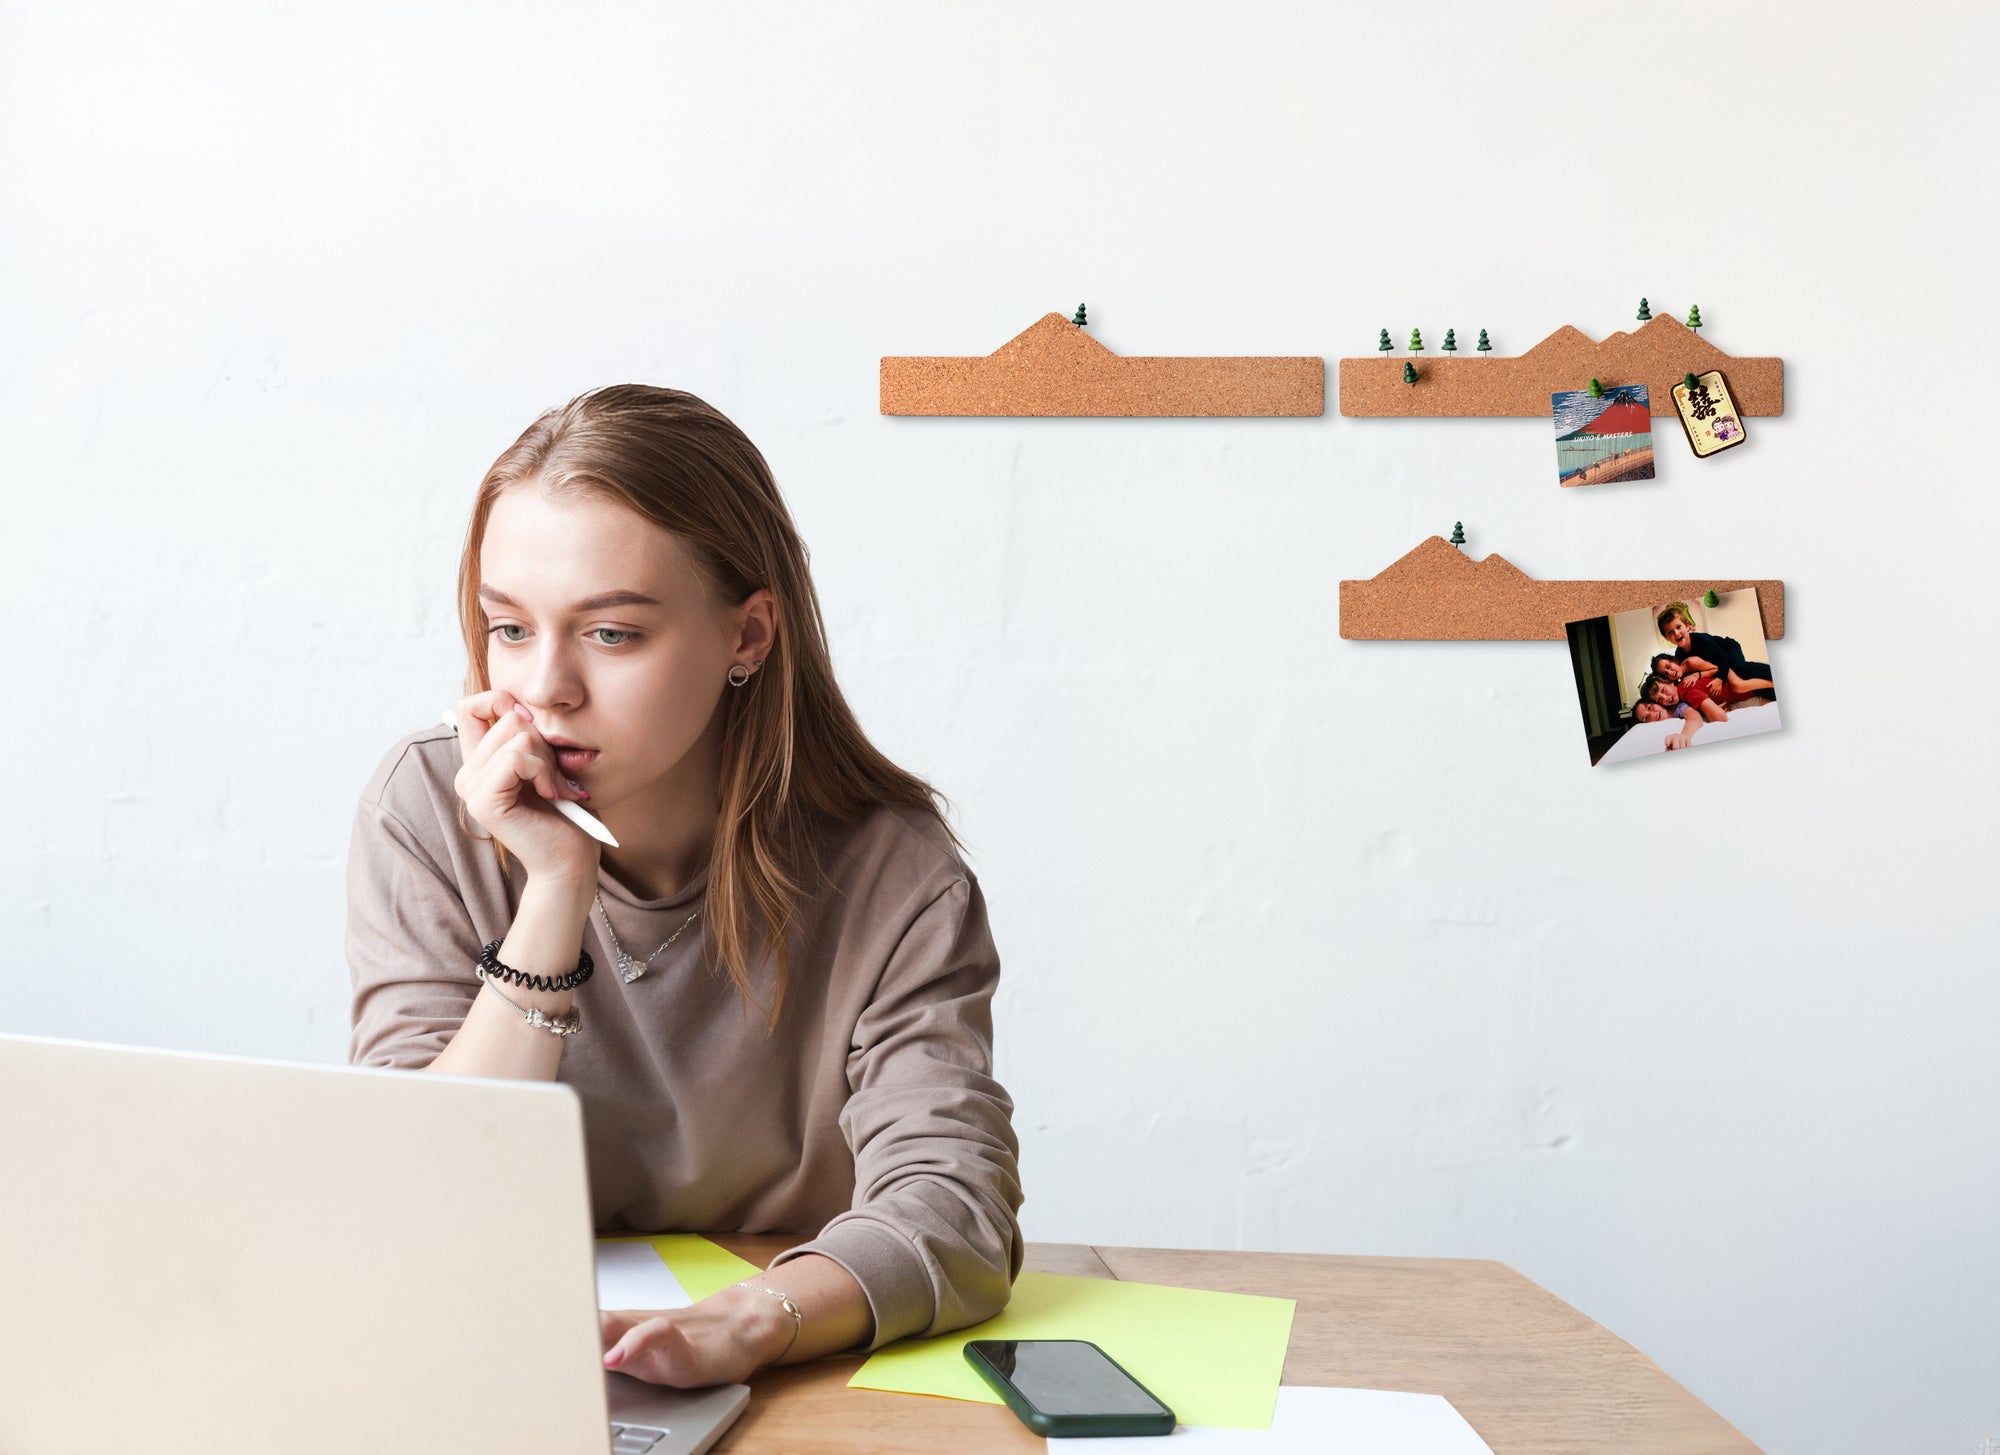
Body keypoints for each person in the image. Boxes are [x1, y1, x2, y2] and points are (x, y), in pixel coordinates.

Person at [345, 384, 1023, 1390]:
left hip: (788, 1368)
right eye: (510, 629)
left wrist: (751, 1322)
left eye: (611, 633)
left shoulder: (895, 873)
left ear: (748, 637)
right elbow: (411, 1193)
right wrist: (555, 889)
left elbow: (954, 1205)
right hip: (492, 1357)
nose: (543, 691)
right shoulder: (428, 803)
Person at [1656, 603, 1777, 702]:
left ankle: (1771, 674)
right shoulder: (1680, 656)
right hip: (1717, 662)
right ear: (1667, 638)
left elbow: (1722, 658)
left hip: (1727, 649)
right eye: (1670, 632)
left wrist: (1719, 679)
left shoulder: (1701, 639)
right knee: (1736, 683)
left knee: (1741, 669)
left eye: (1678, 627)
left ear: (1687, 626)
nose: (1676, 633)